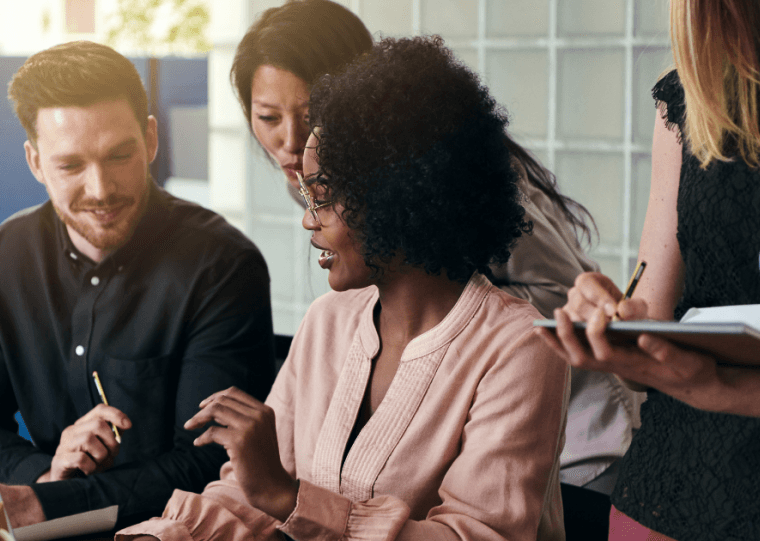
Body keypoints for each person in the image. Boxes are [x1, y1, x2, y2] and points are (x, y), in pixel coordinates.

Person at [115, 36, 570, 541]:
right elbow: (248, 498)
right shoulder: (327, 320)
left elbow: (479, 535)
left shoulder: (521, 345)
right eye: (308, 194)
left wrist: (288, 497)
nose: (308, 219)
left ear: (403, 192)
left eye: (325, 195)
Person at [231, 0, 639, 496]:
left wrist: (441, 316)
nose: (290, 141)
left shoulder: (449, 177)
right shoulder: (327, 283)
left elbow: (558, 295)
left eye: (310, 112)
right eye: (268, 117)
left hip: (576, 443)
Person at [0, 41, 276, 529]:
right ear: (35, 163)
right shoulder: (9, 252)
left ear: (150, 140)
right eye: (71, 166)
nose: (100, 189)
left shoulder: (221, 264)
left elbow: (209, 464)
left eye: (118, 156)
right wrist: (44, 473)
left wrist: (52, 502)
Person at [540, 0, 760, 538]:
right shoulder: (692, 91)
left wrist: (721, 387)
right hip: (667, 501)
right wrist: (611, 323)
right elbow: (647, 336)